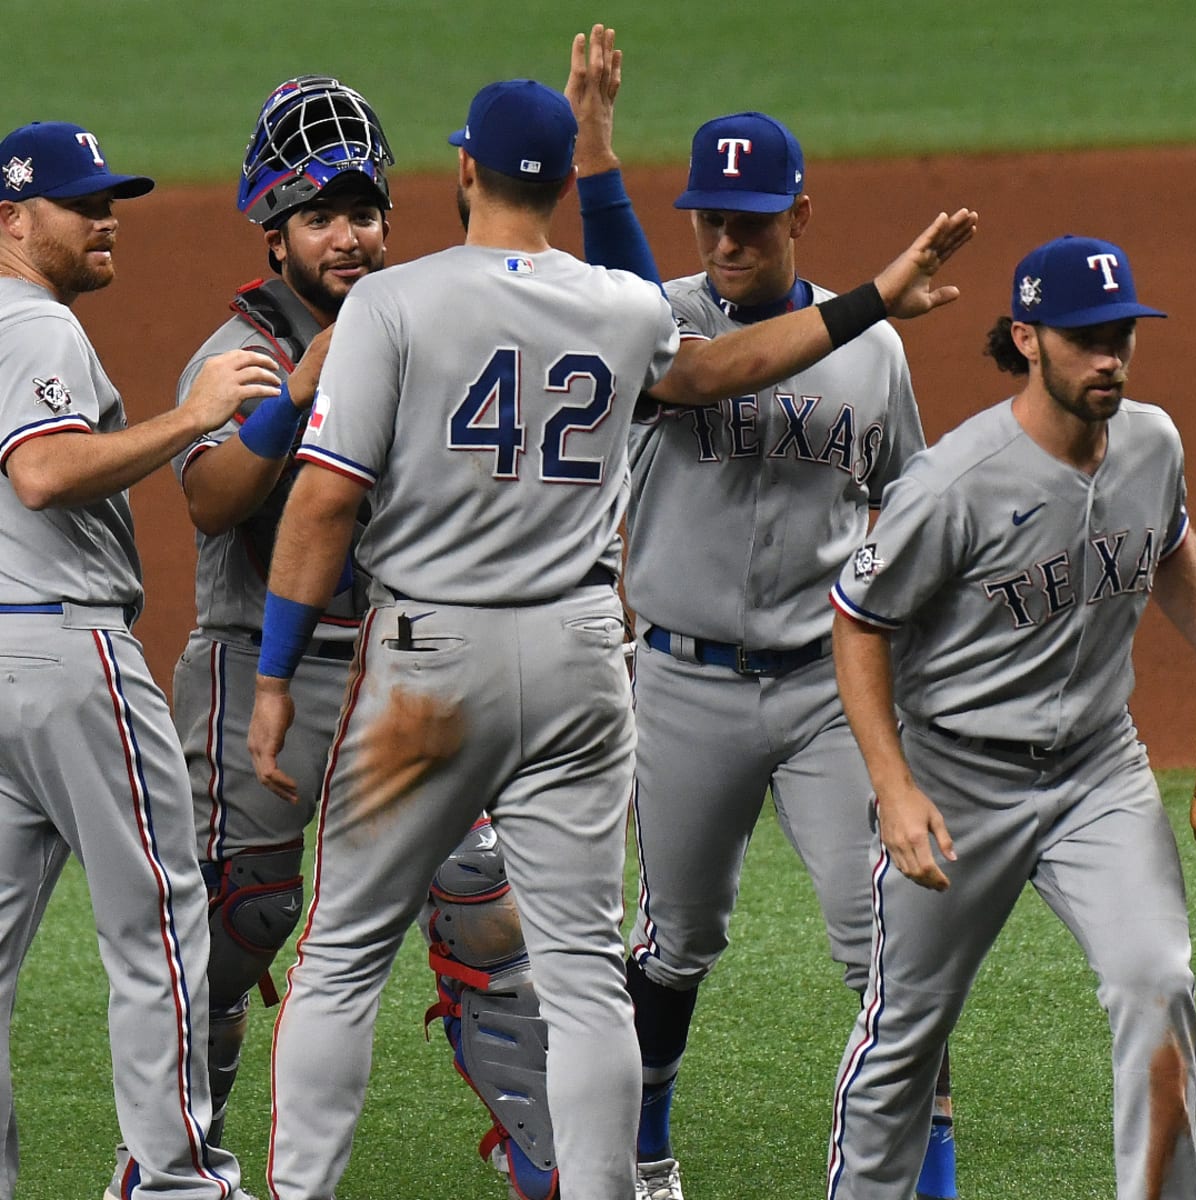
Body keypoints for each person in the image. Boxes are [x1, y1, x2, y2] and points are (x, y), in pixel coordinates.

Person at [244, 52, 975, 1200]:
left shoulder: (392, 300)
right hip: (590, 662)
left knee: (341, 960)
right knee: (585, 976)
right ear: (556, 184)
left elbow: (327, 498)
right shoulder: (631, 311)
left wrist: (279, 670)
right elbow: (716, 366)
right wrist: (873, 299)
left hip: (431, 665)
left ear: (468, 169)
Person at [571, 99, 959, 1199]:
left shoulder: (872, 352)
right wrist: (598, 155)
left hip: (825, 691)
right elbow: (662, 347)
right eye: (709, 221)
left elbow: (911, 503)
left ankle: (927, 1173)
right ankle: (645, 1158)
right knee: (673, 939)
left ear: (798, 213)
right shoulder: (659, 324)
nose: (728, 243)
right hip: (683, 687)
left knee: (889, 947)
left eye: (749, 221)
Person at [826, 234, 1196, 1199]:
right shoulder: (957, 483)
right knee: (904, 1034)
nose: (1109, 357)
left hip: (1099, 771)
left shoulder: (1153, 443)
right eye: (1084, 339)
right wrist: (893, 786)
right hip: (957, 777)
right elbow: (859, 623)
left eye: (1119, 334)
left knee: (1160, 982)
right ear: (1028, 339)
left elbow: (1174, 564)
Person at [0, 120, 280, 1200]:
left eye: (107, 195)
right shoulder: (38, 331)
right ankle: (176, 1185)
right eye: (81, 203)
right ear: (15, 222)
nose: (106, 215)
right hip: (71, 655)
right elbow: (45, 472)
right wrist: (195, 416)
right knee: (159, 923)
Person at [169, 74, 392, 1149]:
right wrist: (296, 392)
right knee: (241, 913)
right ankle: (174, 1146)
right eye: (321, 218)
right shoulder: (238, 356)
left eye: (361, 212)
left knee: (486, 909)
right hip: (254, 662)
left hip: (402, 666)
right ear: (275, 234)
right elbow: (210, 501)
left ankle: (554, 1165)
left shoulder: (420, 332)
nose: (347, 238)